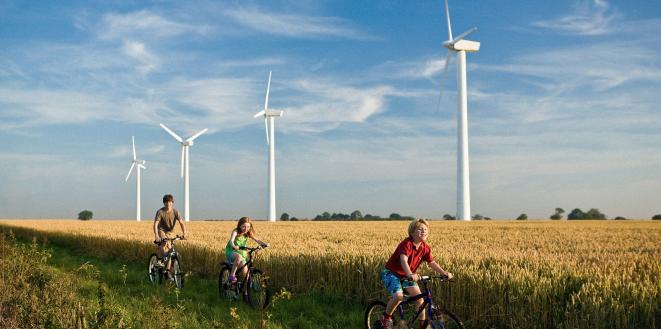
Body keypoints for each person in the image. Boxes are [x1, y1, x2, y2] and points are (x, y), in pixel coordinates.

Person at [379, 219, 453, 329]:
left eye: (426, 229)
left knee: (420, 300)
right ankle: (386, 318)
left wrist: (444, 273)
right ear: (412, 232)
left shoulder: (425, 247)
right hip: (391, 273)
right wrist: (410, 274)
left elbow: (431, 262)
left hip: (407, 276)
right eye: (420, 229)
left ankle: (421, 326)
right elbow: (403, 260)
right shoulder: (407, 244)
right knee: (399, 296)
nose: (424, 231)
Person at [225, 217, 269, 284]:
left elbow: (257, 240)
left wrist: (265, 244)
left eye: (248, 227)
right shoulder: (236, 231)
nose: (246, 229)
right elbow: (231, 240)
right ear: (239, 225)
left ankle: (245, 293)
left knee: (246, 276)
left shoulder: (248, 233)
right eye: (243, 227)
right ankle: (232, 275)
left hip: (241, 253)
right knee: (238, 257)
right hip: (231, 251)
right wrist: (233, 246)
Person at [153, 194, 187, 274]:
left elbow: (181, 223)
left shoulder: (176, 212)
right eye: (166, 202)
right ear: (164, 203)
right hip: (161, 230)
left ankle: (167, 271)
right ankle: (159, 261)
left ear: (172, 203)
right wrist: (156, 235)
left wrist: (185, 233)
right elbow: (156, 224)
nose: (168, 204)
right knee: (165, 243)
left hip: (171, 233)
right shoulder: (160, 212)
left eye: (170, 202)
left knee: (170, 251)